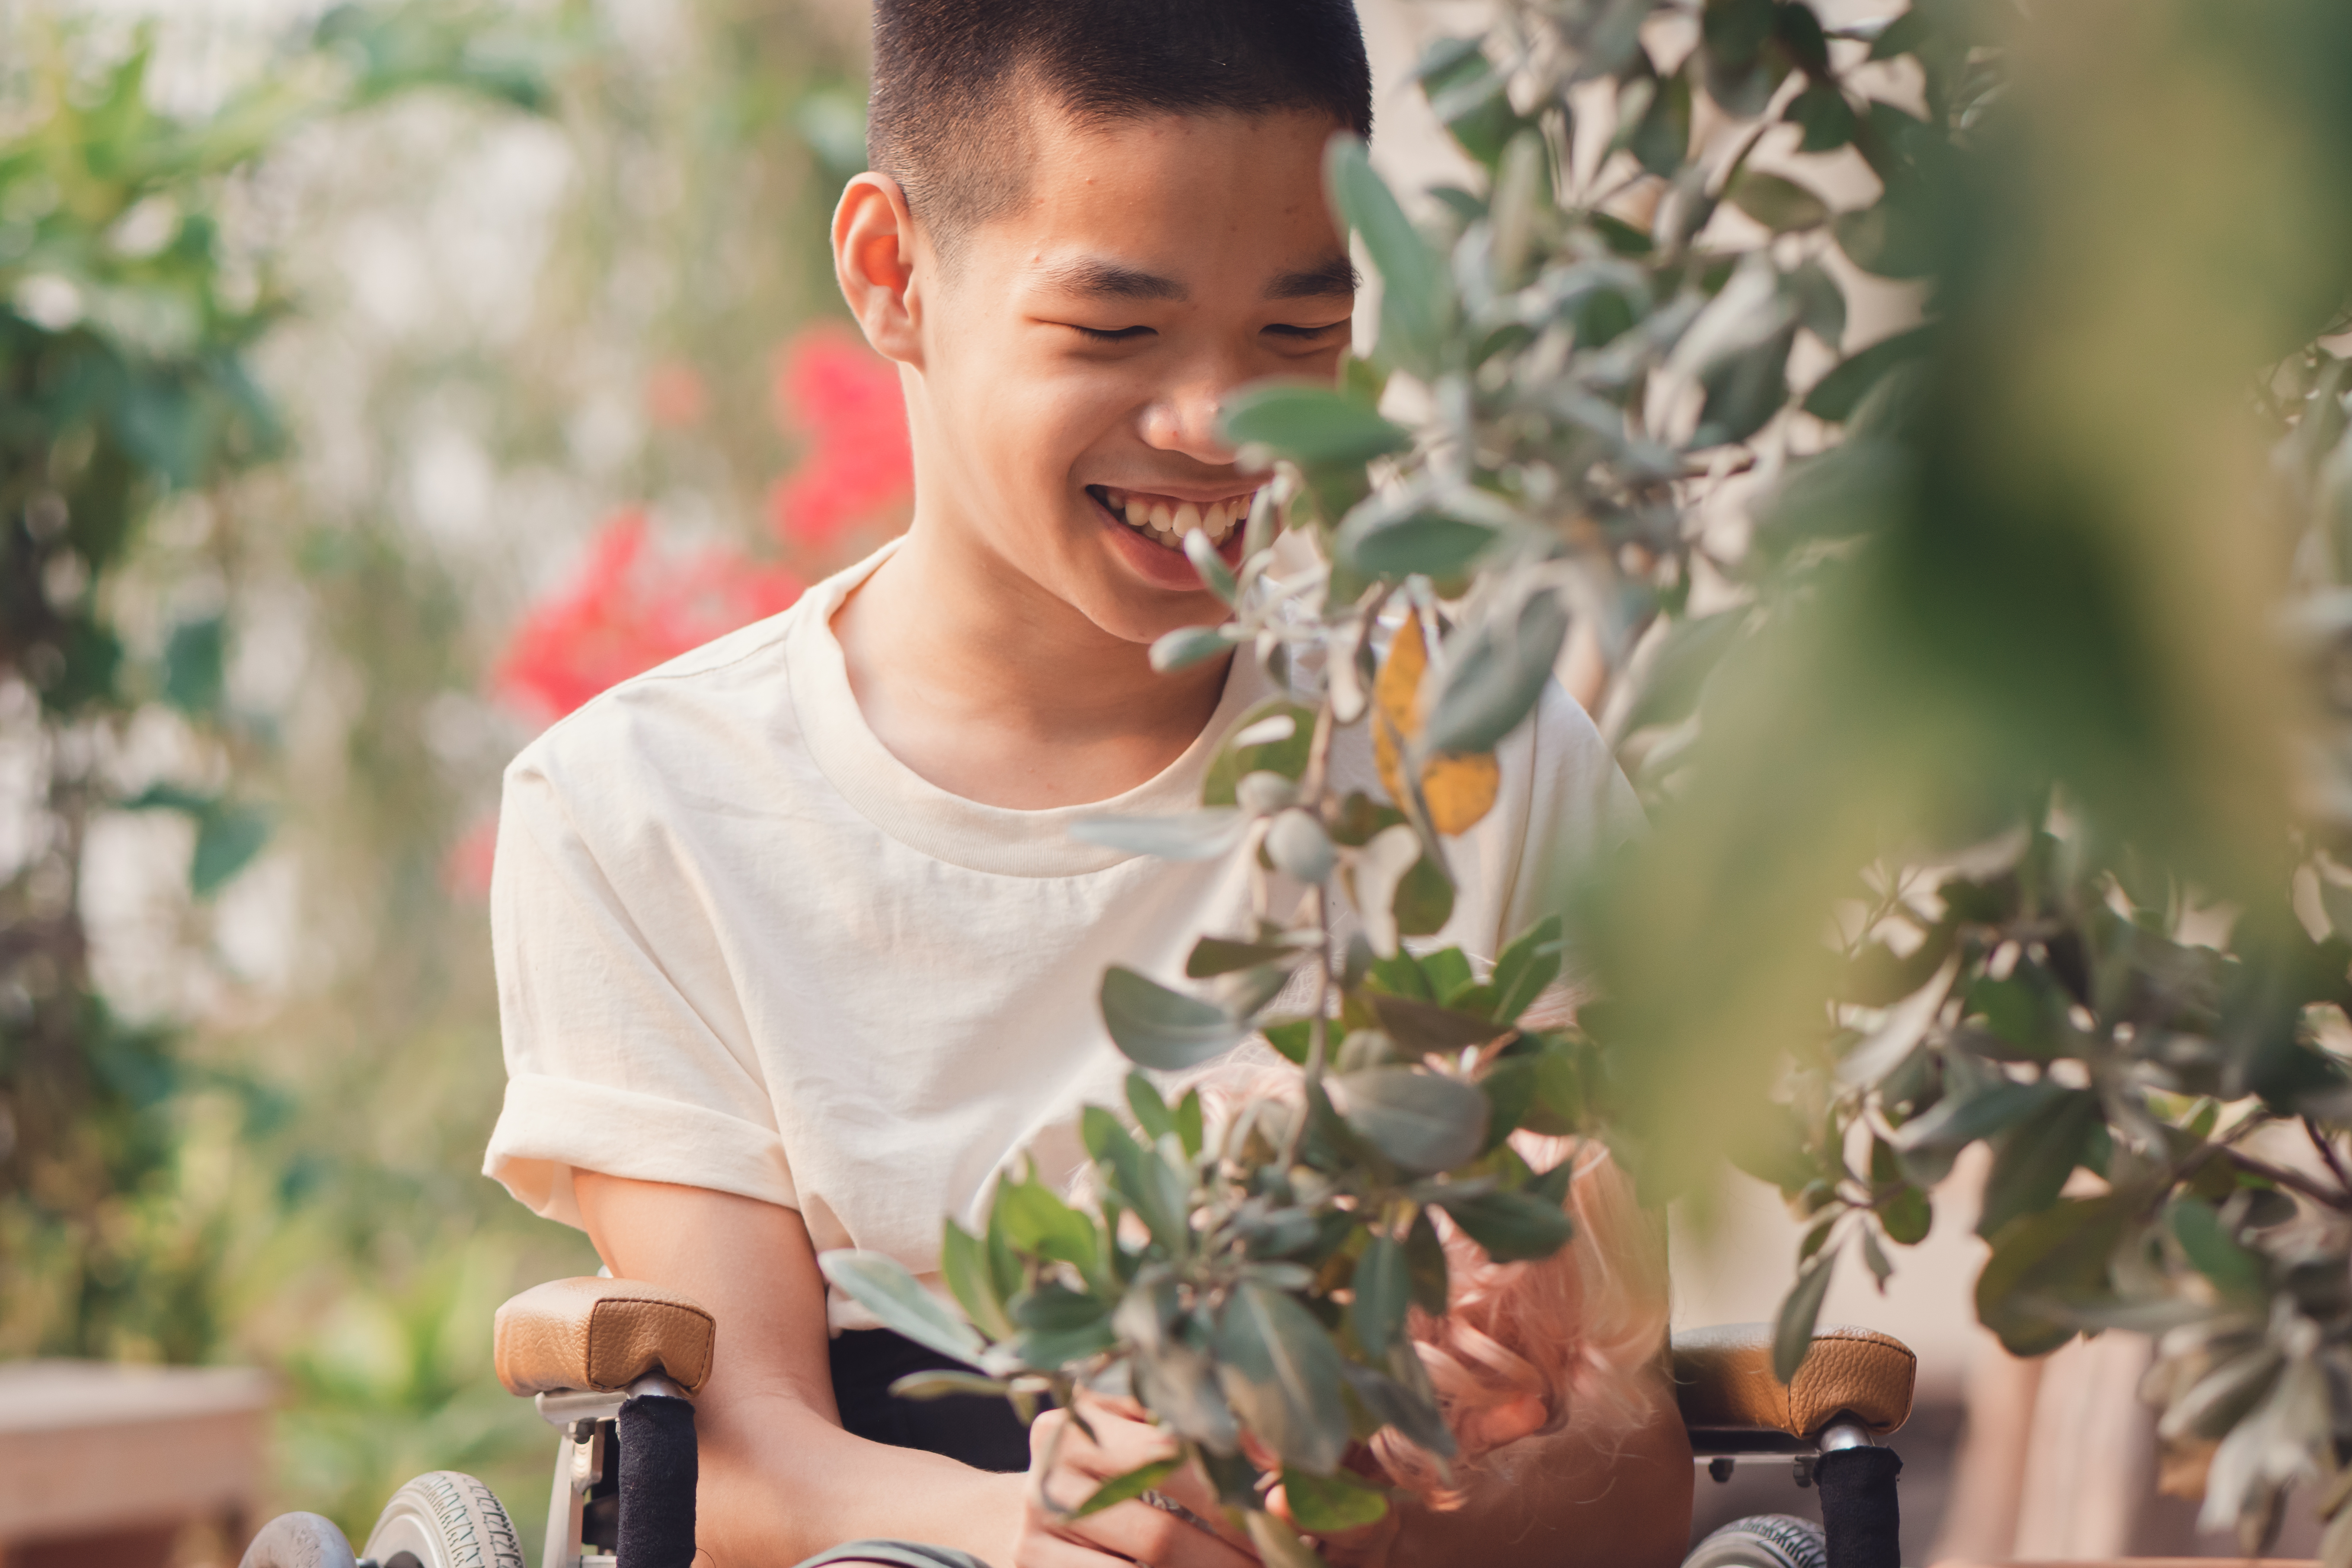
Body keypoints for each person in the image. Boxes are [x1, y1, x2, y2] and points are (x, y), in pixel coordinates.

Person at [482, 2, 1693, 1564]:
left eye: (1299, 336)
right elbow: (735, 1467)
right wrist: (1059, 1535)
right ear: (890, 272)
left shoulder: (1485, 759)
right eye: (1118, 332)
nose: (1216, 426)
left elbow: (1641, 1474)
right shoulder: (643, 809)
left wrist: (1414, 1492)